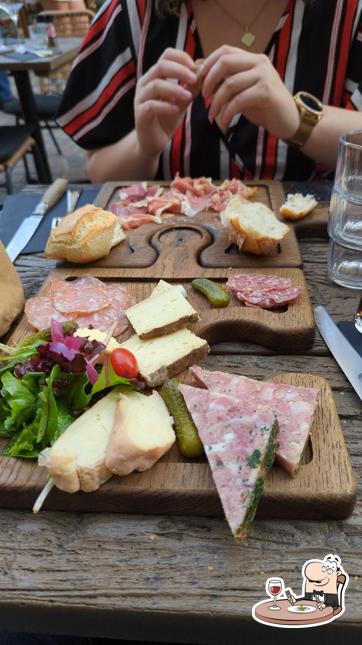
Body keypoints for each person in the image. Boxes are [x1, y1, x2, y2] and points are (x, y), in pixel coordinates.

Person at [57, 0, 362, 182]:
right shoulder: (133, 13)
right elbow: (99, 172)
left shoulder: (349, 13)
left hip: (318, 265)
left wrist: (298, 121)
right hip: (164, 267)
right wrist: (143, 147)